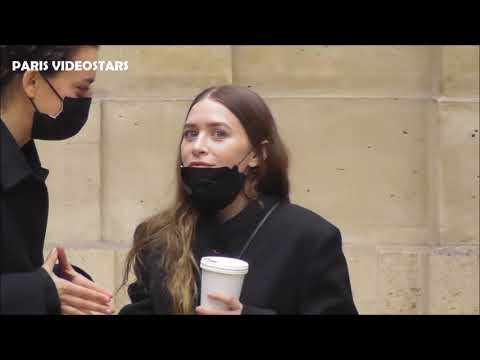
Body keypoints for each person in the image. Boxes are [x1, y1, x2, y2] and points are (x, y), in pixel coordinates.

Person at [120, 85, 358, 315]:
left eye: (219, 134)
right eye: (190, 134)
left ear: (256, 154)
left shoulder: (309, 238)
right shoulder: (157, 237)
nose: (198, 146)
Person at [0, 45, 113, 315]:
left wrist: (61, 288)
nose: (86, 101)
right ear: (32, 81)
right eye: (81, 90)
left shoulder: (22, 161)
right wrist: (41, 291)